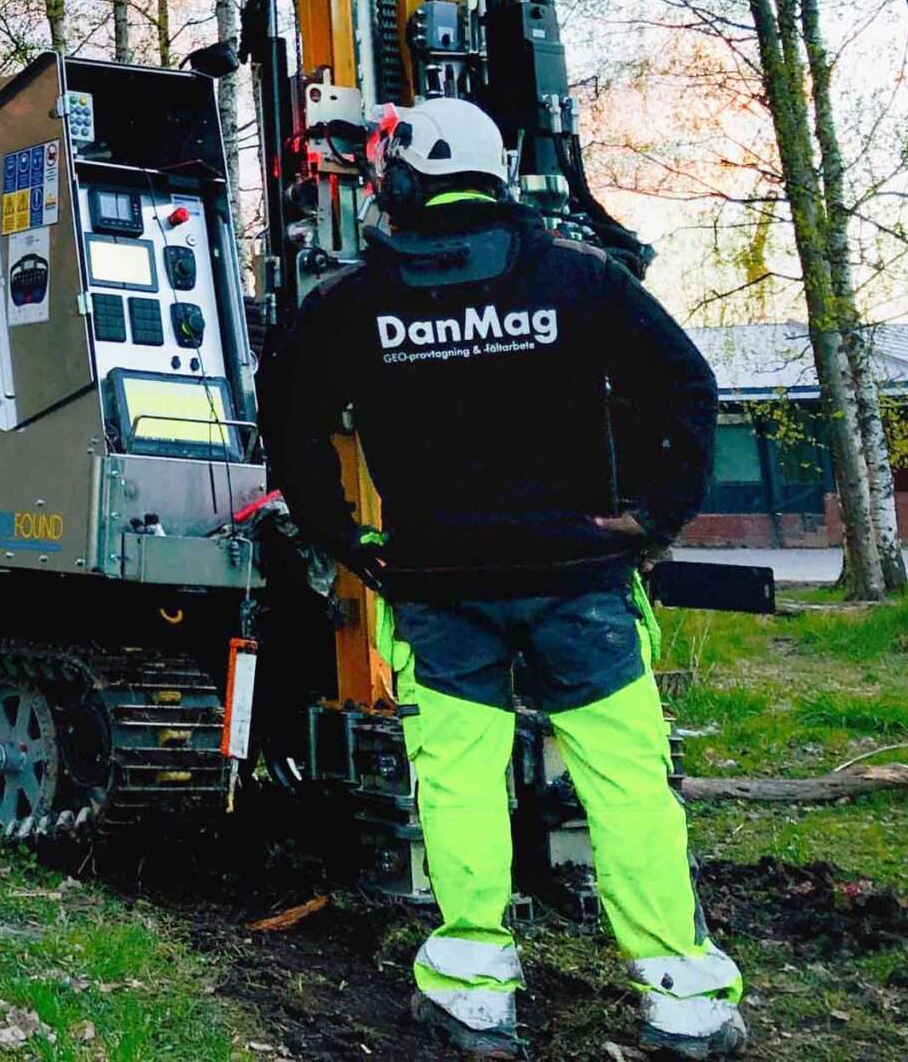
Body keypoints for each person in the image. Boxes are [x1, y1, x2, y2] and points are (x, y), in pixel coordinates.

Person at [260, 97, 746, 1060]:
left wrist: (347, 538)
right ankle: (682, 995)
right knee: (627, 781)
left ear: (401, 180)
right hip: (579, 579)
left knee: (460, 780)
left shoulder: (352, 304)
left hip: (440, 584)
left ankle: (476, 988)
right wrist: (651, 516)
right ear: (497, 174)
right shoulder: (579, 280)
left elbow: (290, 418)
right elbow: (686, 384)